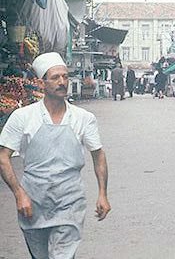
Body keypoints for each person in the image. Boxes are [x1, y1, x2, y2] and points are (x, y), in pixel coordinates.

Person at [0, 52, 111, 258]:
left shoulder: (84, 118)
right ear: (42, 83)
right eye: (55, 77)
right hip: (33, 201)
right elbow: (3, 156)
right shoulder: (23, 117)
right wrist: (19, 194)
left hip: (70, 201)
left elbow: (98, 155)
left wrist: (102, 194)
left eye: (65, 77)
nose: (62, 82)